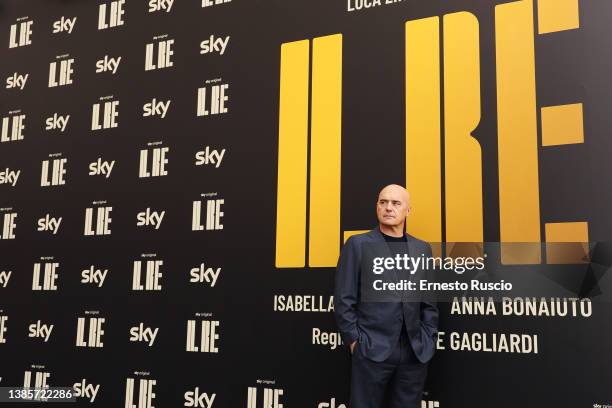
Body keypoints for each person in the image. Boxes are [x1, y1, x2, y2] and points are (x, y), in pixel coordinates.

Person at [333, 184, 439, 408]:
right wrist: (355, 342)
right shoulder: (358, 244)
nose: (388, 208)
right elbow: (344, 299)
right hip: (371, 349)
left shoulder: (422, 249)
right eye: (383, 202)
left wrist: (428, 337)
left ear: (408, 211)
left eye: (395, 203)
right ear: (377, 207)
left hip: (414, 352)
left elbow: (429, 301)